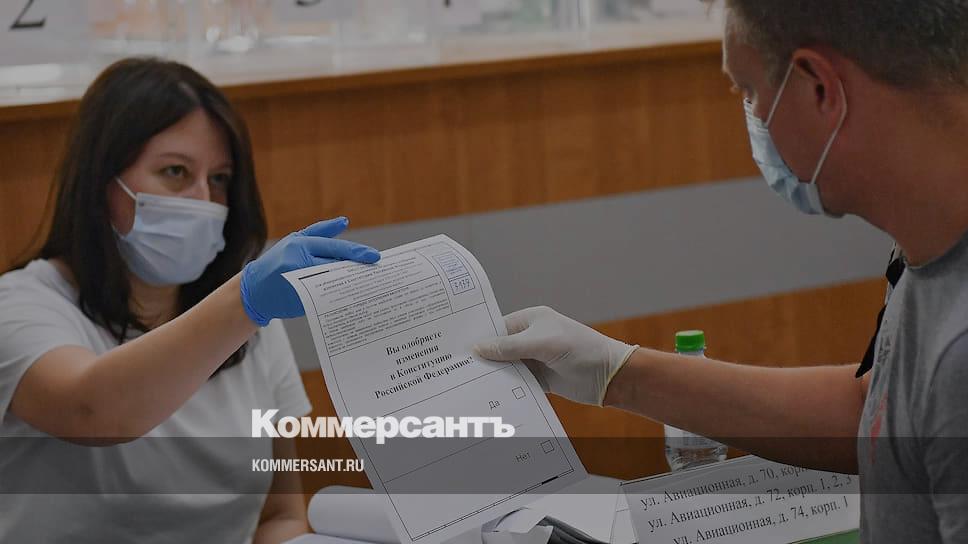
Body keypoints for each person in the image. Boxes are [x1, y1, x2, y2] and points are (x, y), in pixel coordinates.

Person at [474, 1, 968, 543]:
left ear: (820, 88)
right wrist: (617, 372)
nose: (753, 117)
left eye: (750, 91)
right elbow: (877, 416)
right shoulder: (931, 249)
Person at [0, 58, 380, 543]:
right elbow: (91, 411)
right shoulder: (21, 305)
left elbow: (279, 515)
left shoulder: (250, 324)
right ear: (101, 183)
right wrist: (243, 303)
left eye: (219, 179)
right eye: (175, 171)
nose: (203, 200)